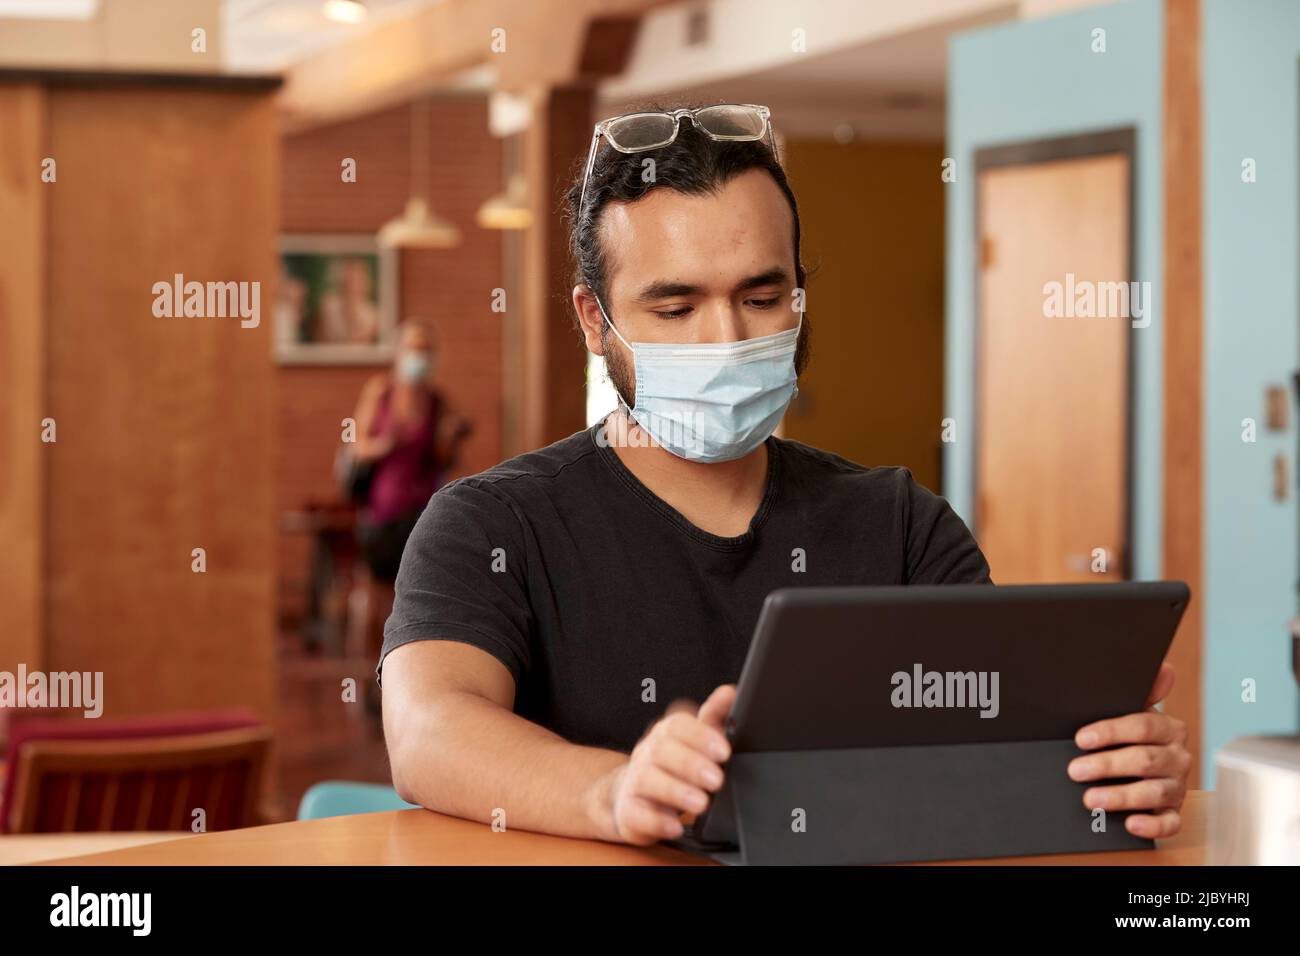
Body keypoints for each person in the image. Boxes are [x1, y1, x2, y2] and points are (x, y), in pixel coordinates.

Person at [378, 104, 1191, 847]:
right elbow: (428, 730)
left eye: (762, 297)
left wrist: (1100, 770)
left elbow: (979, 747)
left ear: (800, 294)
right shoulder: (492, 527)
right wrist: (613, 791)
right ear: (596, 320)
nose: (725, 338)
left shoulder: (901, 523)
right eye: (675, 308)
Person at [350, 319, 471, 695]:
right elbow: (358, 444)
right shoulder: (381, 392)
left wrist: (451, 439)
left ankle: (407, 678)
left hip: (422, 511)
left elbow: (441, 459)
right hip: (383, 509)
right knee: (375, 595)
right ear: (398, 352)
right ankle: (366, 675)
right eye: (412, 348)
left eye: (425, 349)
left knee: (416, 592)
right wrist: (389, 441)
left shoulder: (436, 400)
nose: (418, 356)